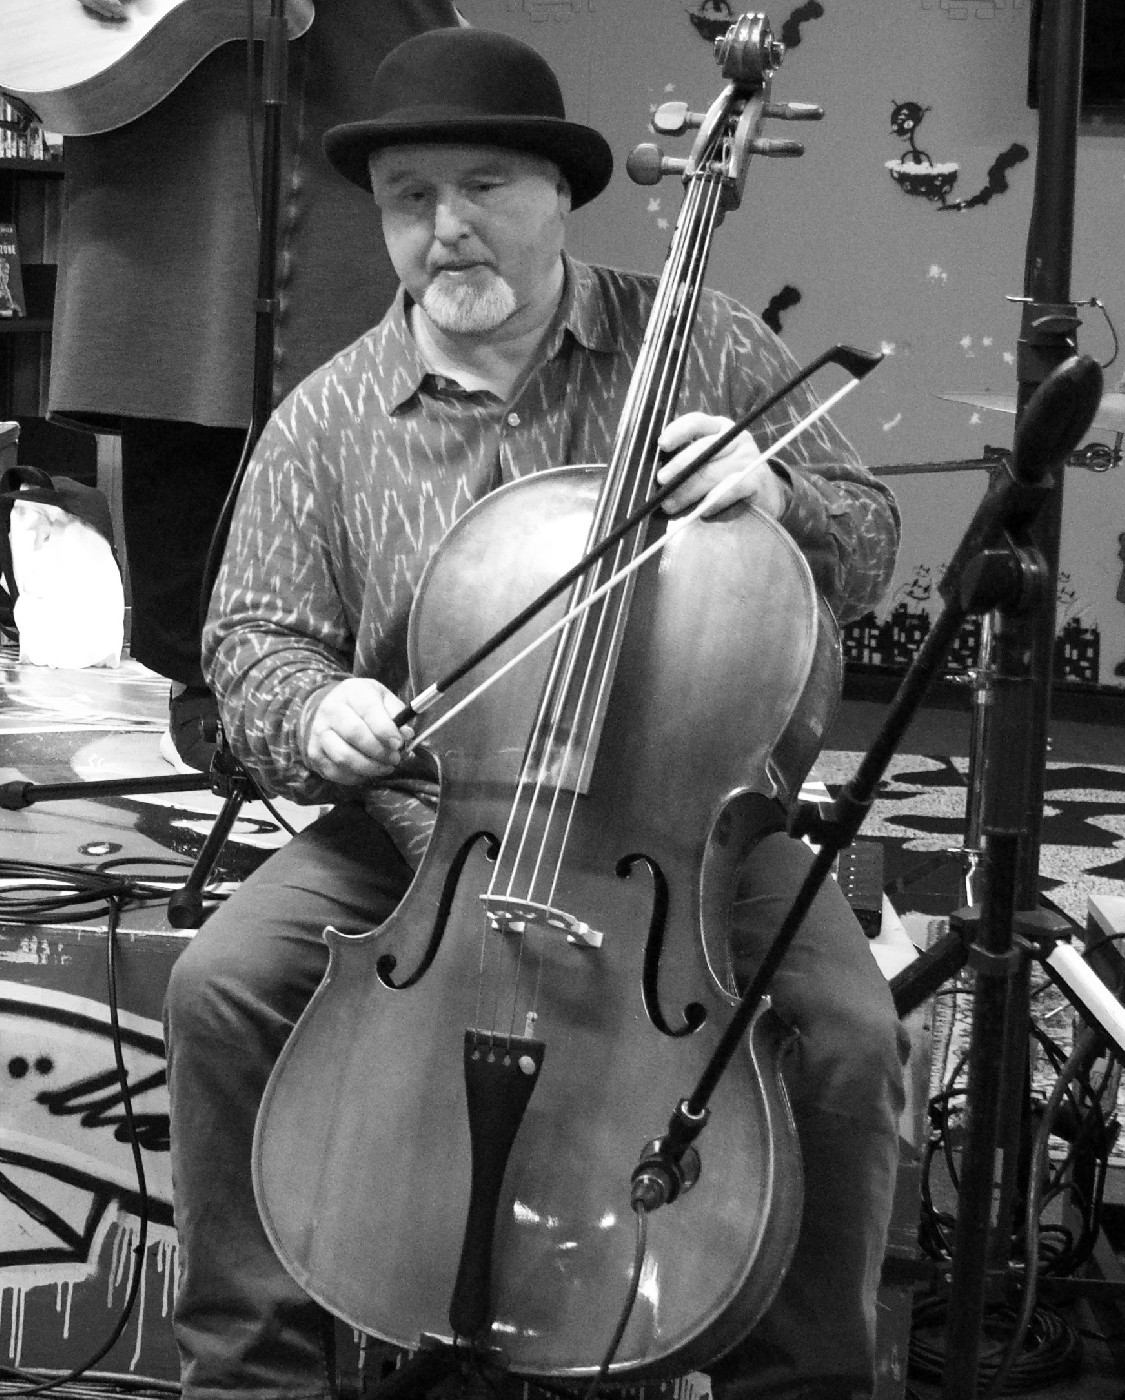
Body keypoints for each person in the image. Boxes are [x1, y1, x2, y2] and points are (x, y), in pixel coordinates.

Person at [170, 26, 909, 1400]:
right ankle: (252, 1376)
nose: (448, 230)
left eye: (487, 185)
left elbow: (870, 540)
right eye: (409, 201)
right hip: (424, 835)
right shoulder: (327, 419)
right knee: (223, 985)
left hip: (679, 834)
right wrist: (315, 704)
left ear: (560, 194)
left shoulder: (697, 344)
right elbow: (252, 641)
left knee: (849, 1040)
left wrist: (776, 495)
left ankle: (803, 1381)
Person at [47, 0, 463, 769]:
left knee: (378, 380)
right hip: (163, 88)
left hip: (354, 64)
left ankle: (376, 684)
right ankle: (205, 677)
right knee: (176, 346)